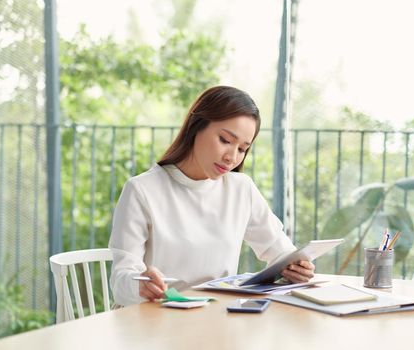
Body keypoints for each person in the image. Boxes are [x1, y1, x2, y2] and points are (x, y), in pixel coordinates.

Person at [109, 86, 315, 306]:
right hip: (158, 320)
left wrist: (295, 269)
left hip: (216, 317)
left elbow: (280, 251)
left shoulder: (241, 188)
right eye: (225, 140)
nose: (232, 158)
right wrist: (140, 285)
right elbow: (121, 279)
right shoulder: (142, 189)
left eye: (242, 149)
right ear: (196, 127)